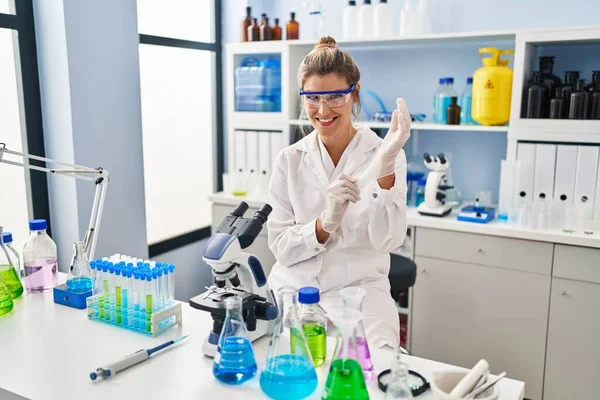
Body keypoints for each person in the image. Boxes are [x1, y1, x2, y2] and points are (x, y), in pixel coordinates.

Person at [267, 36, 411, 349]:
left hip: (361, 297)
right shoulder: (289, 160)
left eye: (335, 96)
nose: (322, 110)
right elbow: (281, 249)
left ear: (354, 94)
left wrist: (384, 170)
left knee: (372, 376)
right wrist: (323, 224)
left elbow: (389, 240)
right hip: (298, 291)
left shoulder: (385, 153)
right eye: (312, 98)